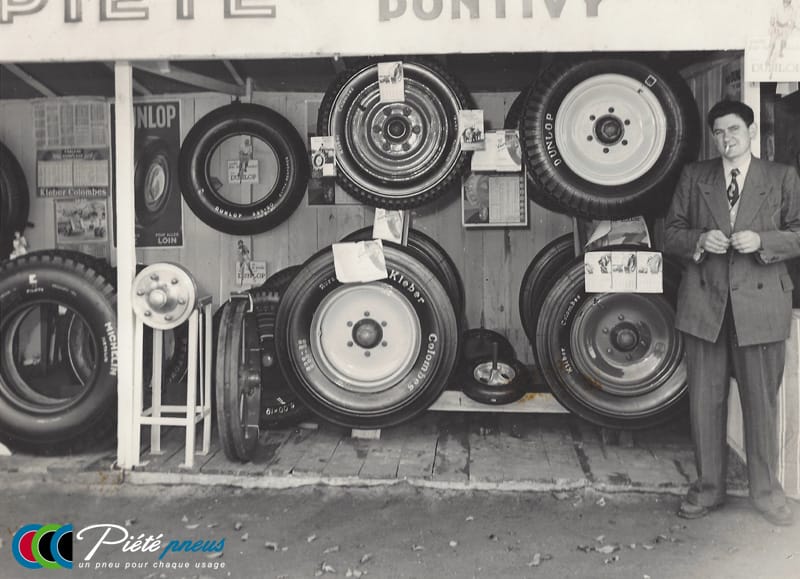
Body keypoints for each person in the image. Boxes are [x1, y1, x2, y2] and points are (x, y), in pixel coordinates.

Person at [664, 100, 800, 526]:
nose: (727, 139)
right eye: (720, 132)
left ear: (750, 132)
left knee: (762, 407)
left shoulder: (781, 177)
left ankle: (767, 495)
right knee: (705, 405)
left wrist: (762, 241)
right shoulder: (694, 176)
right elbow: (669, 233)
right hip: (706, 307)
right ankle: (708, 491)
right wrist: (700, 240)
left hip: (760, 309)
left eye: (735, 130)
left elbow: (798, 232)